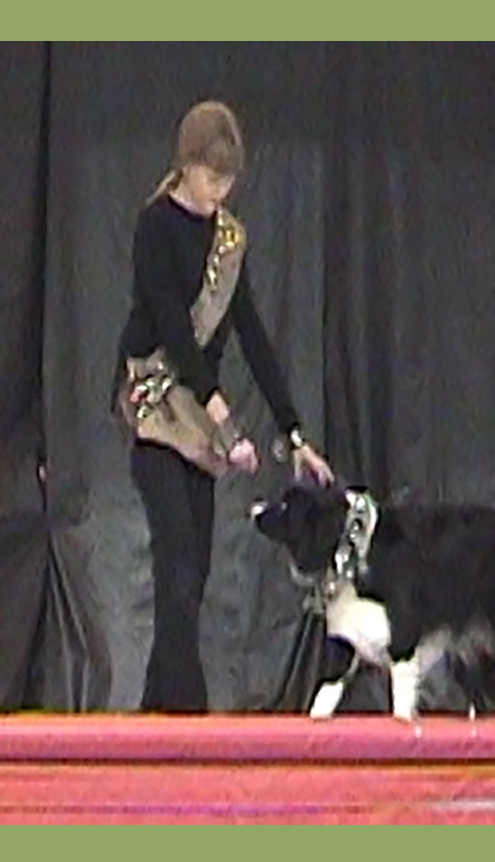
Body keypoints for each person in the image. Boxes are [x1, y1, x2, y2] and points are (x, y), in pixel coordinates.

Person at [113, 100, 336, 712]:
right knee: (177, 562)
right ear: (186, 167)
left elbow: (252, 334)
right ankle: (188, 717)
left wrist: (292, 432)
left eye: (228, 181)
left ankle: (156, 713)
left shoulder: (229, 240)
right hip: (160, 408)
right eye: (212, 178)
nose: (219, 191)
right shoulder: (154, 227)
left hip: (202, 418)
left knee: (194, 575)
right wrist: (219, 415)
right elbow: (171, 328)